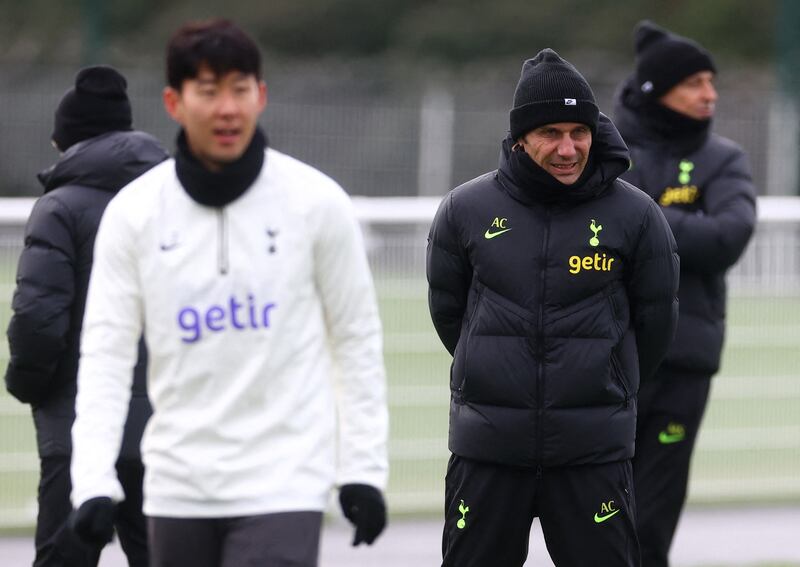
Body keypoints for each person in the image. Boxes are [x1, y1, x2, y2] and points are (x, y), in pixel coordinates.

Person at [67, 19, 389, 567]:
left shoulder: (316, 203)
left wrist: (363, 468)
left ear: (260, 96)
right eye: (209, 91)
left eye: (240, 90)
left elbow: (356, 341)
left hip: (285, 482)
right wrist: (92, 479)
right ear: (174, 101)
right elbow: (105, 353)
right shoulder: (135, 213)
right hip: (176, 484)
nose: (227, 109)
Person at [426, 48, 680, 567]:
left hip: (592, 455)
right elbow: (450, 314)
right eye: (550, 134)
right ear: (520, 137)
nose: (568, 149)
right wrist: (500, 374)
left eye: (578, 132)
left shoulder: (636, 215)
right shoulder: (465, 210)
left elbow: (655, 323)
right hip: (489, 453)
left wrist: (606, 381)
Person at [4, 65, 168, 567]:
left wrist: (27, 384)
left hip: (75, 420)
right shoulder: (174, 199)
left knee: (64, 556)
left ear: (67, 140)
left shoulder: (59, 207)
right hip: (164, 422)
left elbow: (38, 318)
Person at [613, 21, 757, 566]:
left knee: (652, 518)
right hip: (609, 358)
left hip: (683, 366)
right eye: (695, 82)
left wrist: (638, 218)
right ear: (656, 89)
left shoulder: (724, 159)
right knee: (595, 511)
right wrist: (678, 222)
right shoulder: (606, 148)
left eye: (711, 81)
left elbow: (726, 237)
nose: (710, 94)